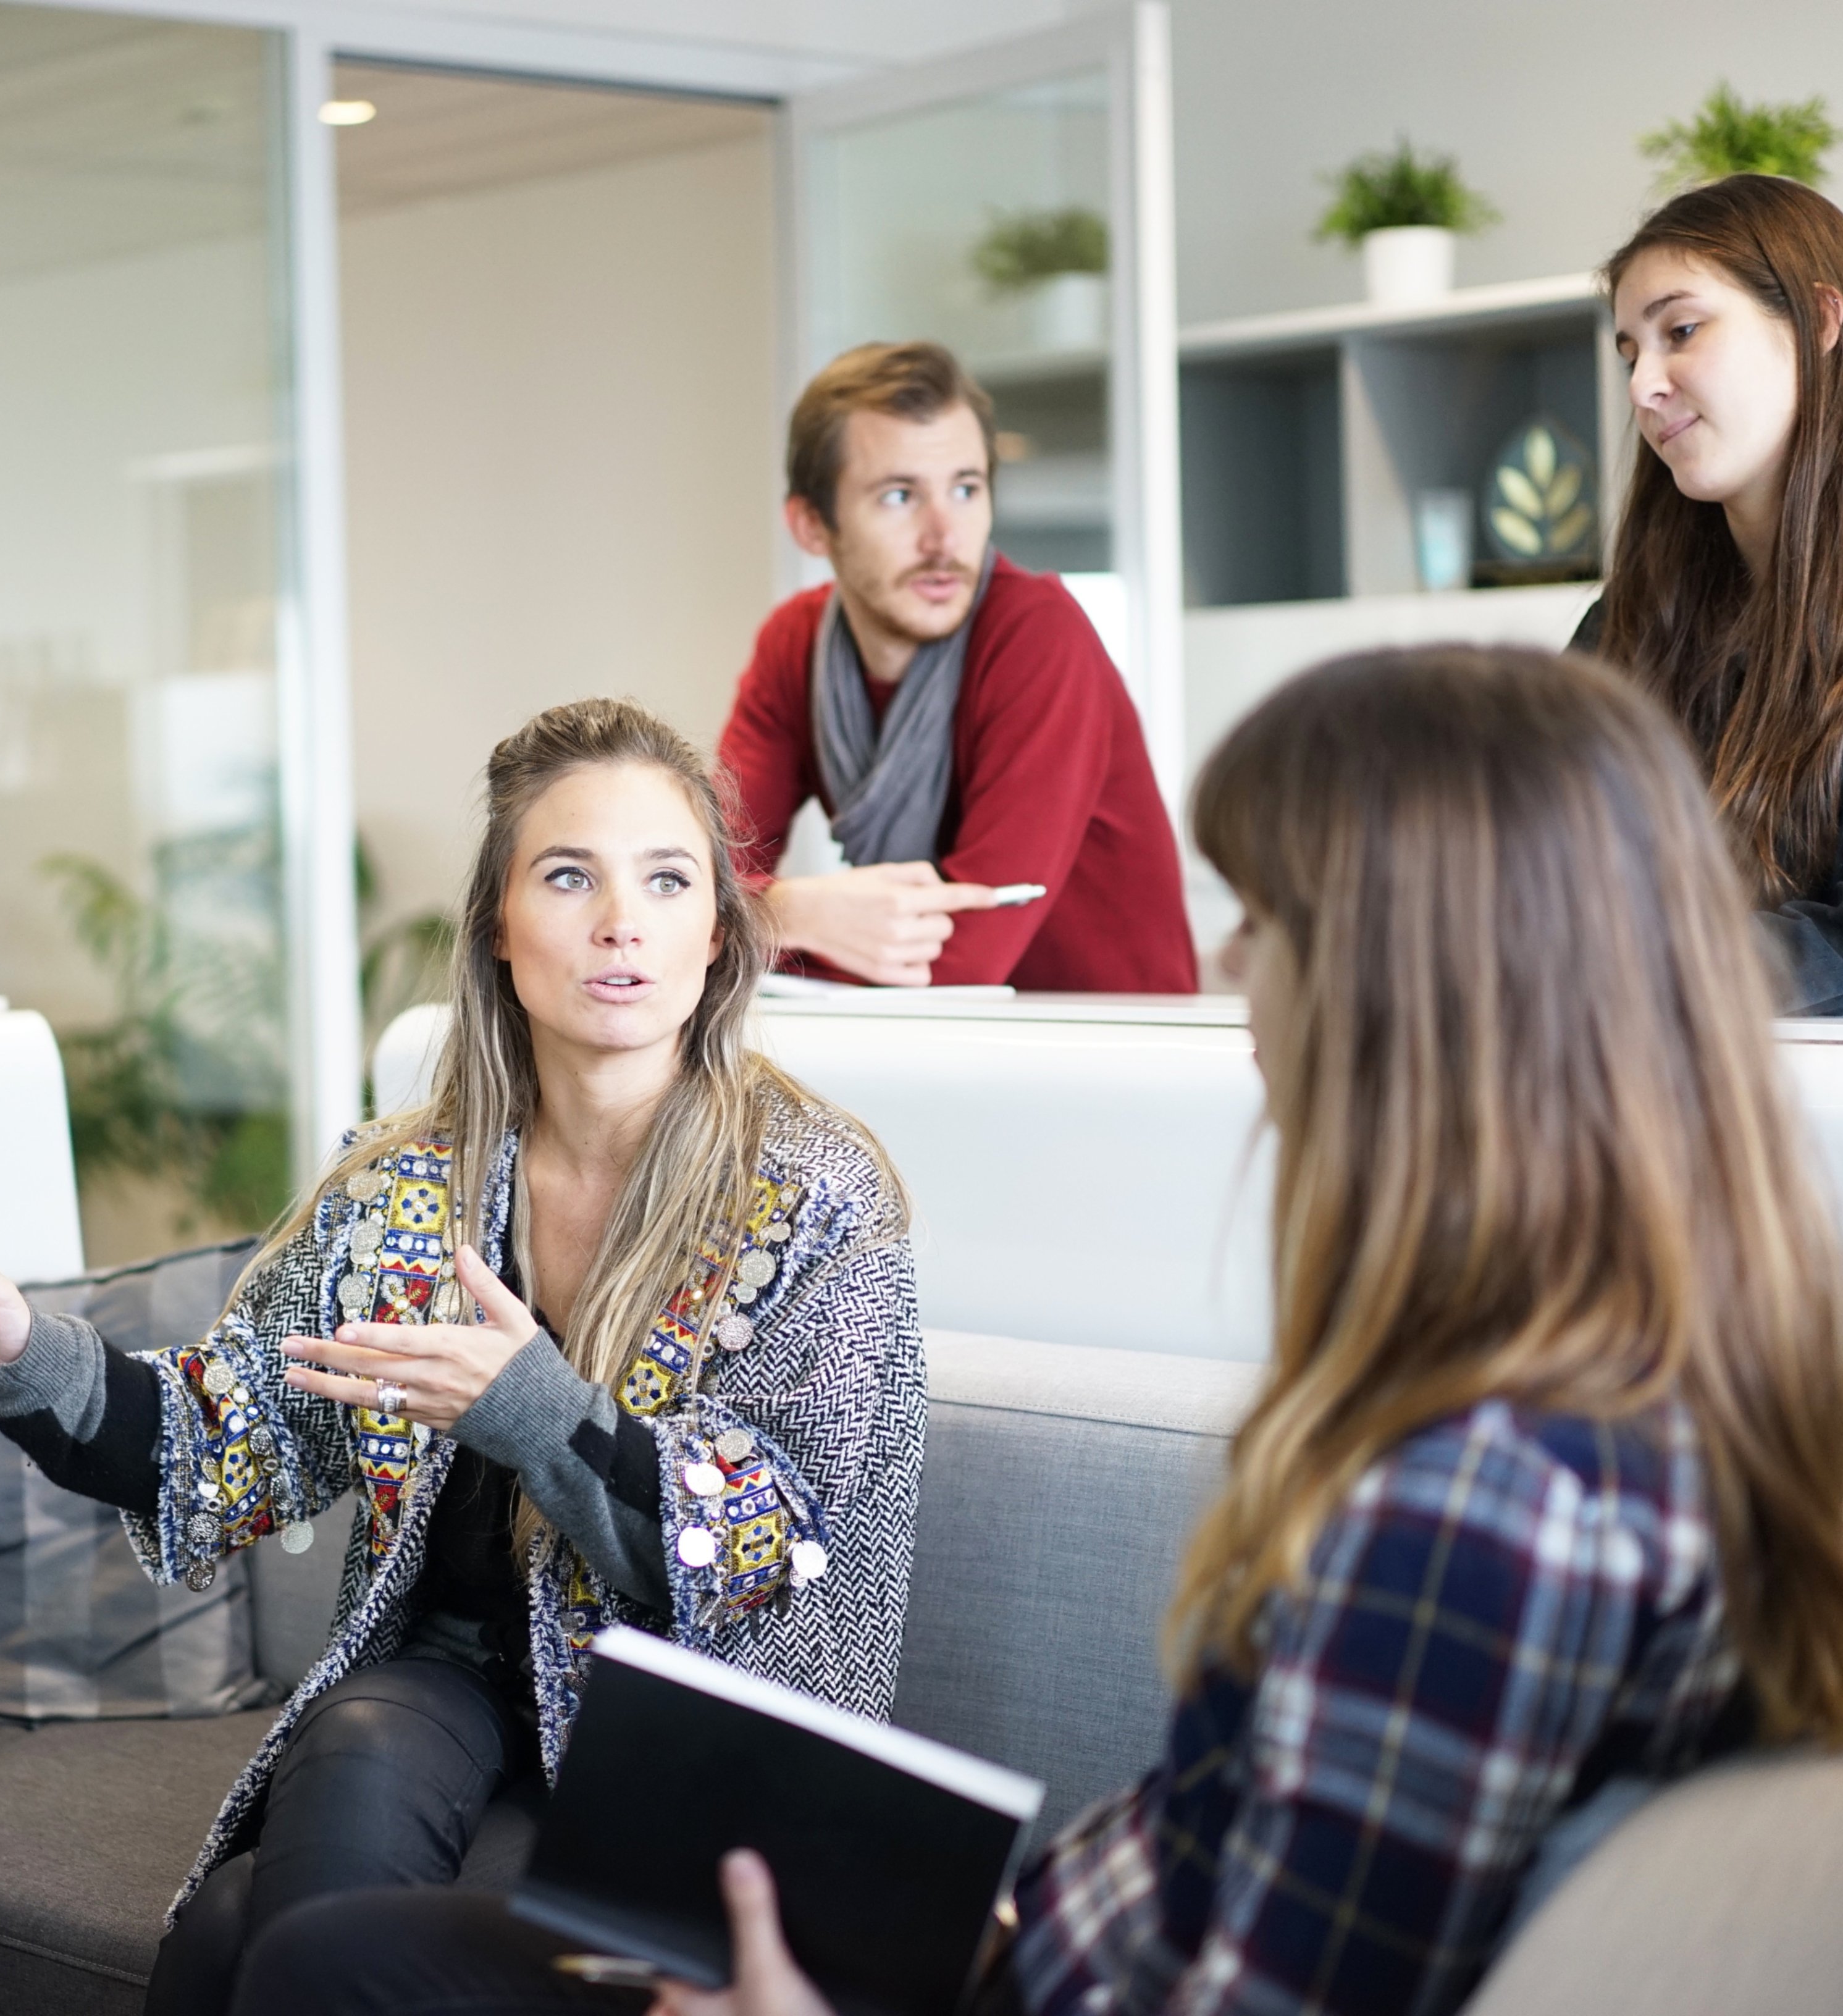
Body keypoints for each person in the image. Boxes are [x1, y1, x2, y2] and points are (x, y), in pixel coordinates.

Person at [232, 645, 1843, 2016]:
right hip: (1003, 1958)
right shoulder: (1636, 1398)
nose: (1230, 969)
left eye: (1267, 921)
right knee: (305, 1941)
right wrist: (990, 1919)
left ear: (1410, 994)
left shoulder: (1479, 1513)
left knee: (330, 1972)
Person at [0, 698, 925, 2015]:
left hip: (697, 1729)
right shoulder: (406, 1185)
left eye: (667, 879)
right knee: (348, 1755)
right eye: (568, 876)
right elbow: (213, 1440)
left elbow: (767, 1546)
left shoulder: (815, 1192)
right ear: (501, 935)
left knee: (242, 1931)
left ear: (716, 936)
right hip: (452, 1677)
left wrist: (531, 1409)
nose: (621, 920)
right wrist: (16, 1353)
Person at [715, 340, 1198, 993]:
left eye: (966, 489)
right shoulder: (794, 645)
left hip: (1108, 1057)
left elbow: (963, 960)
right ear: (811, 526)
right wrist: (792, 910)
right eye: (898, 496)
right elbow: (691, 880)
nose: (945, 537)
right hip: (934, 1050)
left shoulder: (1038, 635)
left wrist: (747, 924)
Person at [1572, 172, 1843, 1011]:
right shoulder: (1628, 619)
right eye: (1629, 352)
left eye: (1680, 331)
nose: (1643, 386)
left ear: (1820, 321)